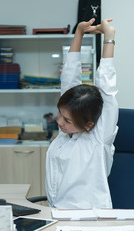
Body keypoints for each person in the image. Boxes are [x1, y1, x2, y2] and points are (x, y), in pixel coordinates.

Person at [45, 18, 118, 209]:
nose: (59, 121)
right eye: (60, 114)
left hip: (91, 219)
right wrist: (79, 33)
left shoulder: (98, 138)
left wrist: (109, 37)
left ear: (89, 124)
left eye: (67, 120)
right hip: (58, 214)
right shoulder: (66, 133)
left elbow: (107, 88)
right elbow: (69, 77)